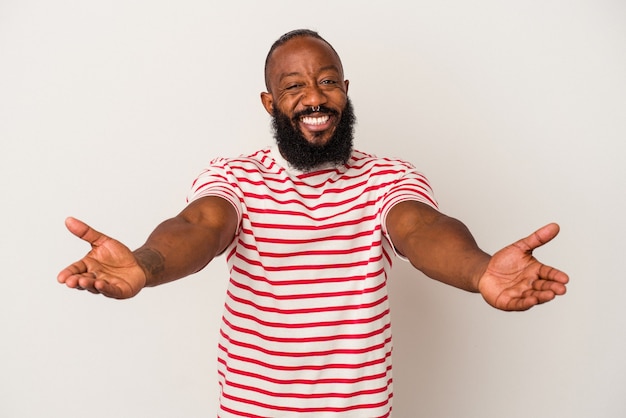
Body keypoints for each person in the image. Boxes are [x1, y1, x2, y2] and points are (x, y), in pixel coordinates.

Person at [58, 29, 569, 417]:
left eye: (327, 81)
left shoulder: (387, 178)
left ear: (345, 90)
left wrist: (480, 270)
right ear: (269, 102)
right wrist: (146, 265)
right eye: (294, 85)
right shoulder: (236, 176)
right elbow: (200, 225)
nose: (315, 97)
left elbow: (419, 230)